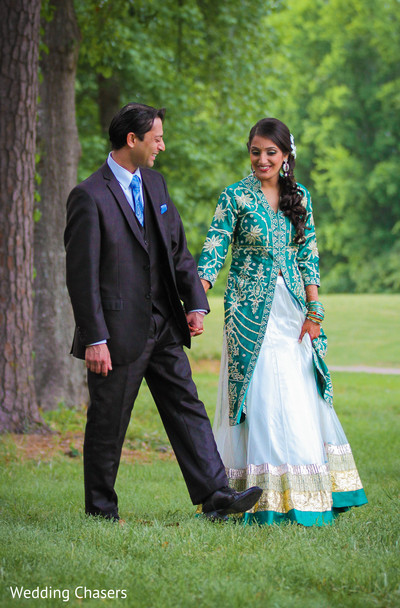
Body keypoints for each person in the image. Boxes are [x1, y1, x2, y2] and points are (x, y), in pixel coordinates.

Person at [64, 103, 262, 523]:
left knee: (187, 405)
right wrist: (94, 338)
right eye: (156, 138)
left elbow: (177, 250)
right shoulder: (88, 195)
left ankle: (215, 496)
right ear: (132, 140)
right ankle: (100, 510)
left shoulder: (155, 184)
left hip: (164, 325)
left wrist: (193, 303)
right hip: (115, 334)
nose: (162, 146)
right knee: (108, 421)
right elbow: (81, 277)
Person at [197, 117, 367, 526]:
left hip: (292, 311)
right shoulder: (235, 196)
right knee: (258, 394)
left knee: (297, 390)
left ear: (286, 155)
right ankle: (249, 496)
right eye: (256, 152)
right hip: (247, 311)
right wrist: (196, 299)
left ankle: (306, 494)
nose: (262, 159)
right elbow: (215, 247)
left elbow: (309, 254)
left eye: (271, 152)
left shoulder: (300, 197)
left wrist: (315, 312)